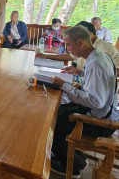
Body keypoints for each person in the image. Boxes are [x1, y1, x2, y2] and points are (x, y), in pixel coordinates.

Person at [49, 25, 118, 177]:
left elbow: (95, 102)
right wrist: (80, 73)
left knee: (51, 124)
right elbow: (97, 82)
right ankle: (74, 157)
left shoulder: (95, 63)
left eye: (69, 45)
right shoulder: (100, 56)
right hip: (105, 112)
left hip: (101, 122)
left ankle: (73, 166)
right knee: (59, 112)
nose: (68, 49)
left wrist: (64, 85)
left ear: (81, 43)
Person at [36, 21, 119, 70]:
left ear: (88, 34)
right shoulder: (83, 47)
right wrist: (46, 56)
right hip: (81, 82)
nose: (68, 49)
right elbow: (69, 56)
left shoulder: (106, 49)